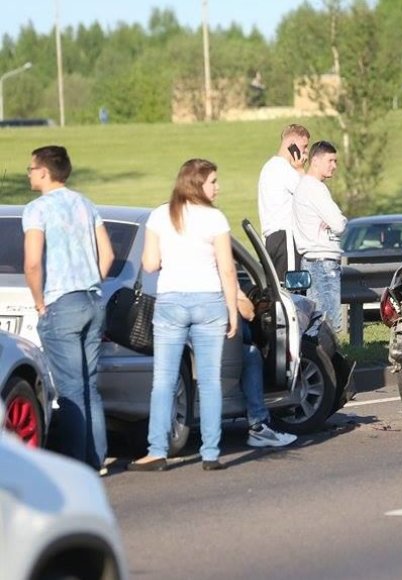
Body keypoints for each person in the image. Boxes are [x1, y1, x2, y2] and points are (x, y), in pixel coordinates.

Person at [129, 159, 238, 472]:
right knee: (209, 382)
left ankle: (157, 451)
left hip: (171, 302)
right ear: (197, 183)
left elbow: (149, 264)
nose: (218, 187)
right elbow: (227, 269)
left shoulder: (161, 215)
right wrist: (232, 309)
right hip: (209, 302)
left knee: (163, 380)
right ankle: (211, 452)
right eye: (213, 181)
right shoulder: (215, 219)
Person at [22, 145, 114, 473]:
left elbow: (33, 262)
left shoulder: (37, 209)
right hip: (91, 299)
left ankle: (78, 464)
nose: (29, 173)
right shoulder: (85, 205)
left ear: (45, 172)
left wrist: (38, 300)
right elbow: (108, 256)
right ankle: (96, 458)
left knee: (71, 388)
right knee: (88, 383)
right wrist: (91, 280)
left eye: (32, 168)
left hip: (61, 302)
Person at [293, 141, 347, 333]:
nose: (334, 165)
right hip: (321, 262)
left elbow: (336, 222)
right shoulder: (314, 188)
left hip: (316, 261)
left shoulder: (308, 187)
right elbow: (339, 224)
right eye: (330, 160)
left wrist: (335, 220)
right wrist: (338, 220)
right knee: (326, 323)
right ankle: (320, 361)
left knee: (321, 321)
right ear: (315, 160)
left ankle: (319, 360)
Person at [236, 291, 297, 447]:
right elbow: (248, 313)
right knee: (252, 354)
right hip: (216, 338)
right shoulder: (221, 275)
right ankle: (258, 424)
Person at [258, 124, 311, 281]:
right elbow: (308, 195)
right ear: (291, 144)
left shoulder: (269, 167)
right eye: (304, 146)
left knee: (279, 290)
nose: (306, 152)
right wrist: (301, 169)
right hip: (286, 237)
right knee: (293, 291)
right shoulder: (284, 169)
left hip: (272, 239)